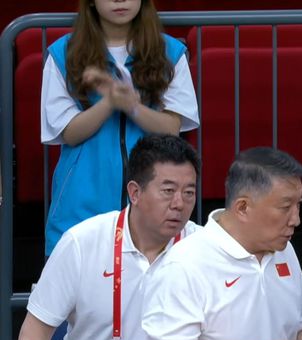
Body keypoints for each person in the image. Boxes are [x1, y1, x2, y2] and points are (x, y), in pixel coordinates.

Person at [17, 135, 200, 340]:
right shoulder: (82, 242)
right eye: (168, 190)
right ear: (134, 192)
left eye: (189, 192)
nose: (179, 203)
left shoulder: (204, 249)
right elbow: (34, 335)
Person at [142, 147, 302, 340]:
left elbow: (301, 323)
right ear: (243, 208)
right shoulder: (184, 266)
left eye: (299, 205)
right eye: (285, 207)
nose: (296, 220)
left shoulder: (285, 253)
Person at [41, 0, 199, 255]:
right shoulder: (63, 53)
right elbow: (69, 132)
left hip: (152, 206)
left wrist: (133, 106)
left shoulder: (170, 52)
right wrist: (109, 103)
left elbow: (171, 127)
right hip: (82, 201)